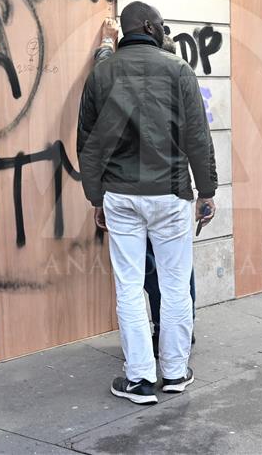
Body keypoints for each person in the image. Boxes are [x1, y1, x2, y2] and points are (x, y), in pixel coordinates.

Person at [78, 2, 217, 405]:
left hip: (121, 195)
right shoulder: (178, 71)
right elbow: (197, 137)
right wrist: (206, 191)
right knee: (175, 286)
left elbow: (87, 142)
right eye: (160, 24)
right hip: (171, 194)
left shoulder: (102, 72)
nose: (163, 29)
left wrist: (95, 197)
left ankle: (139, 378)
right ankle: (174, 372)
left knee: (129, 285)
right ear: (148, 26)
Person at [93, 20, 198, 358]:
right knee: (177, 277)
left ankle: (143, 365)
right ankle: (176, 354)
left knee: (138, 278)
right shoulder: (175, 69)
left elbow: (105, 77)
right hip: (171, 188)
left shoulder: (124, 73)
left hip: (130, 187)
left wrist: (106, 46)